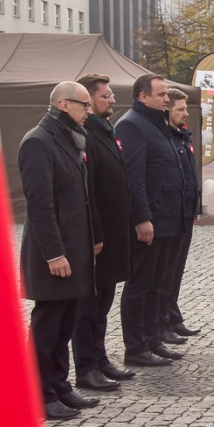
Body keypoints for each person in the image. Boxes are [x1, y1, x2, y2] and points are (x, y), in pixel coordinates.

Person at [19, 81, 100, 420]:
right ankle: (39, 394)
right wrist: (54, 254)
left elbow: (80, 197)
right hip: (51, 254)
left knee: (65, 323)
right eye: (84, 105)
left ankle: (59, 384)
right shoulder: (38, 141)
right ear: (64, 105)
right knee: (48, 324)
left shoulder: (70, 137)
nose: (89, 111)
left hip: (74, 248)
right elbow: (40, 205)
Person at [115, 74, 188, 367]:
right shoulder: (132, 124)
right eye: (160, 95)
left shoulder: (157, 122)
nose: (166, 99)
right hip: (152, 220)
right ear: (143, 96)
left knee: (158, 283)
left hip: (168, 218)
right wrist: (142, 217)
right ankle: (135, 347)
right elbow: (134, 177)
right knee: (141, 284)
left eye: (166, 95)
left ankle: (153, 339)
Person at [71, 73, 136, 393]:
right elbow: (89, 192)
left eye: (111, 95)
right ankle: (86, 367)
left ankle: (99, 359)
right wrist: (96, 235)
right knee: (88, 307)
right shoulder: (86, 135)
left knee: (103, 303)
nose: (112, 99)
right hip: (98, 238)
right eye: (105, 96)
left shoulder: (106, 131)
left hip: (113, 235)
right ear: (88, 100)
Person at [161, 88, 202, 342]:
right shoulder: (166, 137)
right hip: (170, 215)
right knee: (165, 273)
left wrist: (194, 206)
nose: (186, 113)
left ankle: (172, 317)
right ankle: (162, 322)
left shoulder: (181, 137)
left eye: (186, 108)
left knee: (175, 272)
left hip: (184, 214)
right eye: (181, 109)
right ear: (168, 111)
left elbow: (189, 175)